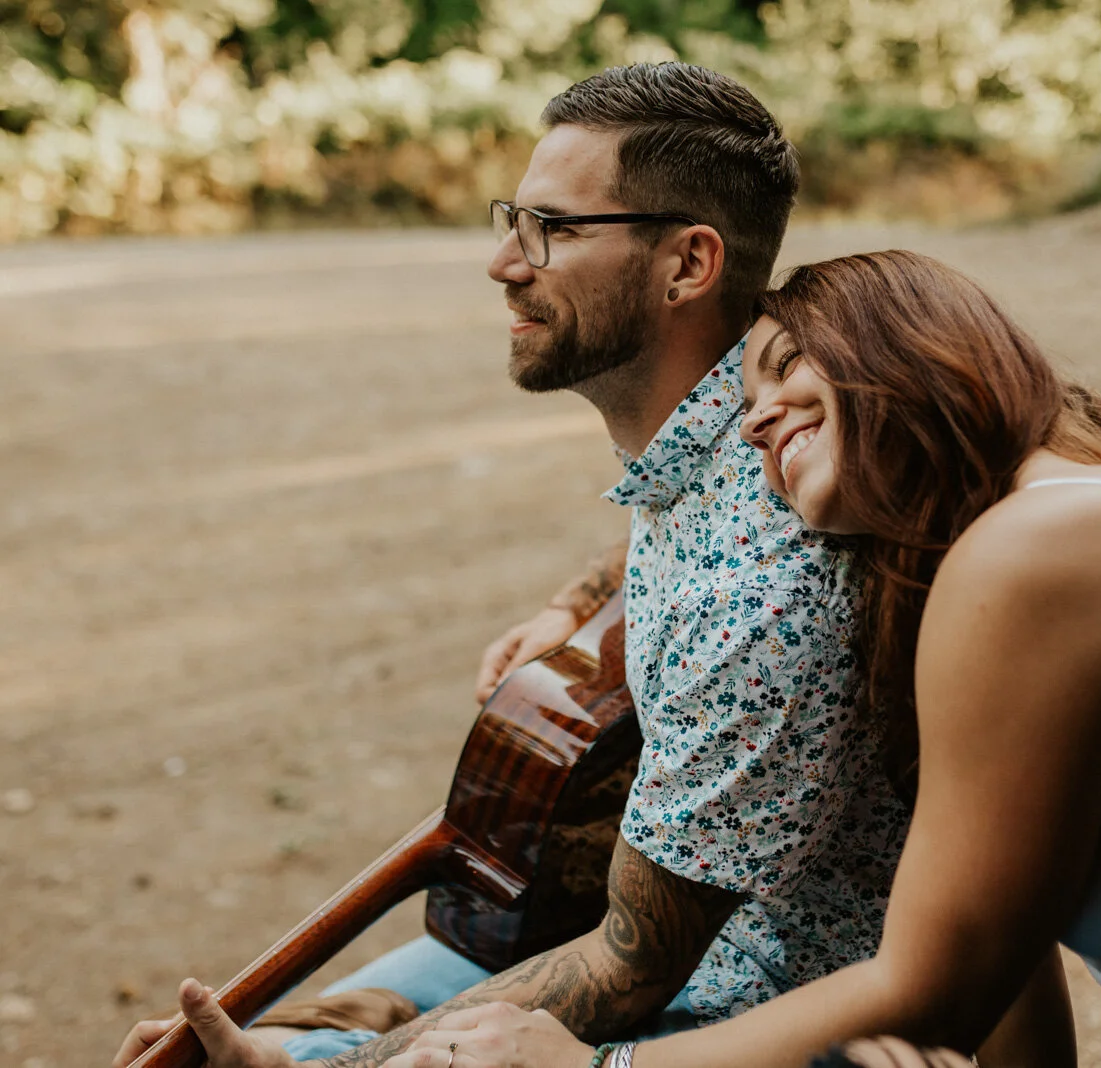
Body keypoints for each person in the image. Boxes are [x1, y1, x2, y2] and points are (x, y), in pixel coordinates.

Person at [374, 250, 1101, 1068]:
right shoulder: (1041, 531)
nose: (753, 415)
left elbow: (929, 980)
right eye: (741, 394)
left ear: (907, 349)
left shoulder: (1044, 554)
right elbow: (996, 944)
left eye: (786, 365)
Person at [111, 66, 911, 1068]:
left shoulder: (756, 585)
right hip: (648, 957)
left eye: (552, 229)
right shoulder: (735, 440)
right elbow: (677, 527)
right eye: (511, 220)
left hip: (744, 1015)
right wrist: (576, 609)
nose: (503, 262)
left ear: (687, 265)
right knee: (330, 1004)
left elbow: (629, 966)